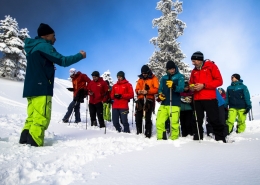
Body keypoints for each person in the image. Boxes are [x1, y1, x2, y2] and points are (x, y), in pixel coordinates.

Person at [19, 23, 86, 147]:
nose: (55, 38)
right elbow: (63, 61)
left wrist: (49, 68)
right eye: (53, 36)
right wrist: (80, 56)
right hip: (41, 87)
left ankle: (25, 139)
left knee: (32, 115)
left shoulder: (32, 48)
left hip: (30, 88)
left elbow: (40, 65)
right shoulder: (44, 46)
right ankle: (34, 142)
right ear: (46, 35)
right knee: (42, 115)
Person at [189, 51, 226, 142]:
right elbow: (191, 83)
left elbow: (219, 81)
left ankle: (220, 138)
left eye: (194, 61)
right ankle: (198, 137)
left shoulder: (211, 66)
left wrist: (204, 85)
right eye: (192, 61)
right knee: (197, 119)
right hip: (197, 98)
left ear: (199, 60)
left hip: (209, 98)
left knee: (214, 119)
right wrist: (192, 87)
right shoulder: (194, 71)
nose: (193, 63)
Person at [156, 60, 184, 140]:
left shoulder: (180, 76)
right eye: (169, 69)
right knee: (159, 121)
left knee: (174, 123)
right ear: (167, 69)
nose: (171, 70)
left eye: (172, 68)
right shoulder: (164, 78)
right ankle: (160, 138)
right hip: (164, 103)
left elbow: (181, 88)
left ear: (175, 68)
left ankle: (174, 139)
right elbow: (160, 89)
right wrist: (160, 94)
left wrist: (174, 86)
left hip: (174, 103)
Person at [135, 65, 159, 138]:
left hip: (149, 99)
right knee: (138, 116)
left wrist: (147, 91)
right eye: (143, 73)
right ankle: (139, 131)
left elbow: (156, 89)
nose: (144, 74)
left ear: (148, 72)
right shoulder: (140, 79)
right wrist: (138, 91)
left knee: (148, 117)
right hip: (140, 99)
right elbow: (136, 89)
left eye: (145, 73)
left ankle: (148, 133)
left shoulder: (153, 78)